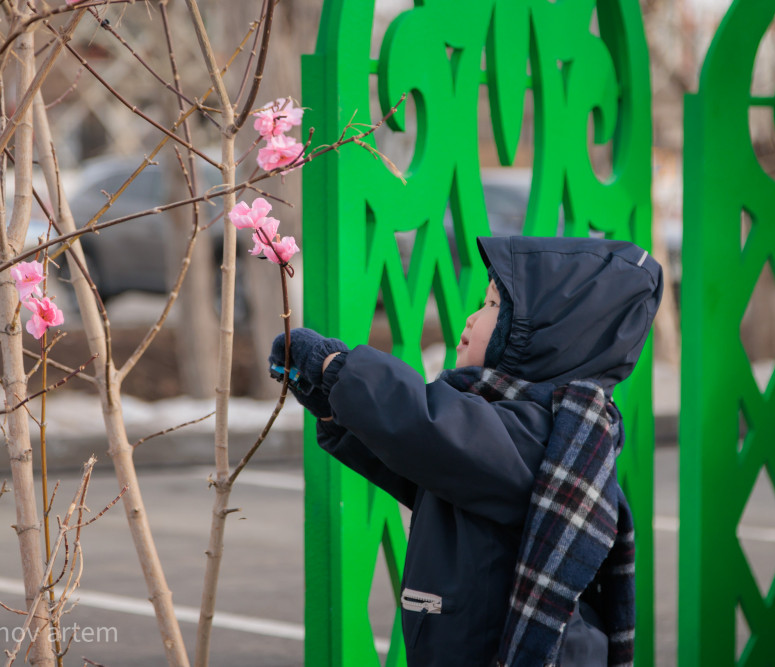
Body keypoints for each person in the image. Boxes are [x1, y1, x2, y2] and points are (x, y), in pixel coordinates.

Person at [269, 236, 663, 667]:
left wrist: (337, 369)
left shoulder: (538, 435)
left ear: (549, 337)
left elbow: (424, 426)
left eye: (493, 306)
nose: (472, 318)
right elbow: (424, 465)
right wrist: (331, 403)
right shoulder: (502, 427)